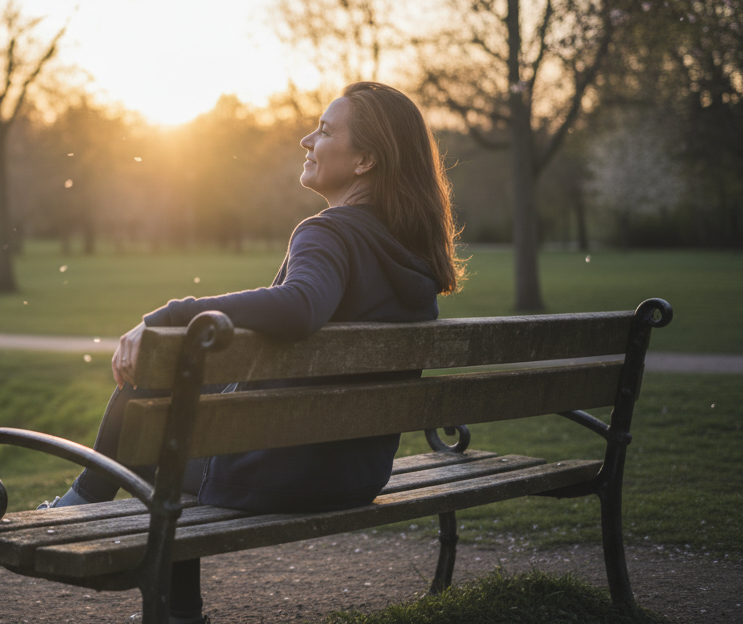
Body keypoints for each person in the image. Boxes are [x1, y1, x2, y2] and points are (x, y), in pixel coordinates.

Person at [42, 81, 464, 624]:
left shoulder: (328, 233)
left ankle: (93, 519)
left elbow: (300, 306)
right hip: (357, 475)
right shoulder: (410, 255)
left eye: (326, 130)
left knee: (156, 433)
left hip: (283, 477)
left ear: (365, 160)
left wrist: (172, 315)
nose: (306, 139)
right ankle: (93, 510)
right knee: (174, 415)